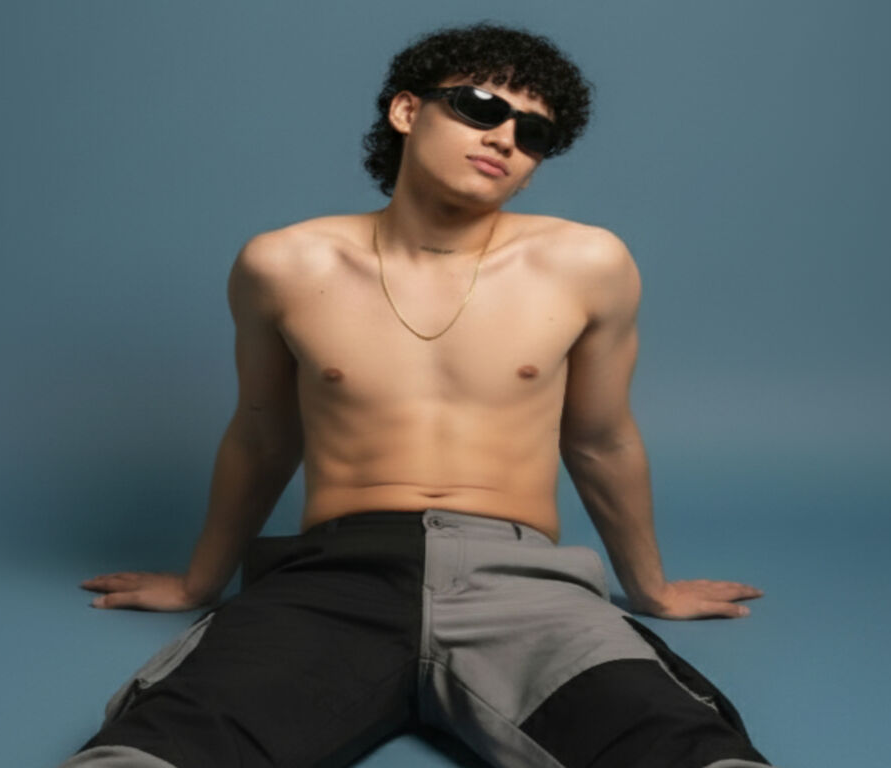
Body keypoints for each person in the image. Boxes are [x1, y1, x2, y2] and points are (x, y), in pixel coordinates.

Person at [62, 21, 771, 768]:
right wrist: (199, 581)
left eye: (532, 134)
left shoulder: (587, 264)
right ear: (407, 110)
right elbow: (263, 437)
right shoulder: (286, 264)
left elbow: (600, 439)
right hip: (332, 581)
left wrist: (651, 589)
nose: (505, 138)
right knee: (149, 756)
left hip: (526, 589)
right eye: (479, 107)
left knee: (690, 753)